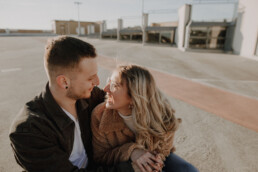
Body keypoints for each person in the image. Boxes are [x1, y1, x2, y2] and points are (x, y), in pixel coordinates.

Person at [9, 36, 134, 172]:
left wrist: (133, 151)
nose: (98, 82)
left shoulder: (90, 96)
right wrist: (131, 168)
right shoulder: (29, 130)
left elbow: (130, 106)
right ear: (64, 82)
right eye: (90, 78)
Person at [91, 65, 198, 172]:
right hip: (122, 165)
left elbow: (164, 150)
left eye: (114, 85)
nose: (105, 89)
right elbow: (101, 157)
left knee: (188, 170)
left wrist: (154, 161)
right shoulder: (100, 116)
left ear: (134, 96)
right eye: (108, 82)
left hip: (157, 158)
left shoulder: (162, 115)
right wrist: (132, 151)